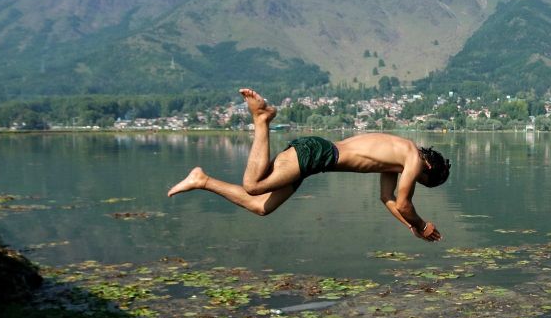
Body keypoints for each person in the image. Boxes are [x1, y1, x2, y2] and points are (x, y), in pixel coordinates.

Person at [167, 89, 450, 242]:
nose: (413, 179)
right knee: (252, 185)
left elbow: (387, 198)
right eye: (422, 181)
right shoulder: (412, 158)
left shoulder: (397, 158)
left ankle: (202, 180)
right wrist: (422, 225)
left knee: (260, 206)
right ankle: (262, 119)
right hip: (318, 153)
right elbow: (404, 203)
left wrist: (410, 227)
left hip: (315, 159)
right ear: (428, 168)